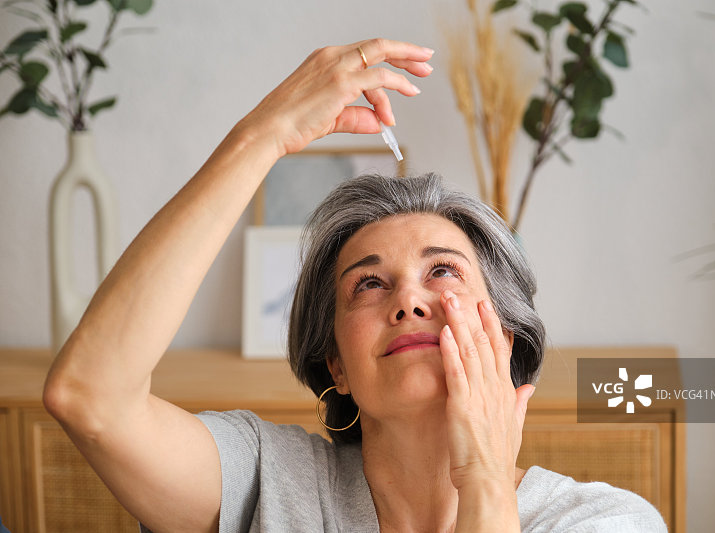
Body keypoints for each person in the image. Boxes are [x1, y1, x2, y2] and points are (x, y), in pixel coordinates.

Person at [42, 39, 667, 532]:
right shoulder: (266, 479)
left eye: (443, 270)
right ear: (336, 364)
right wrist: (262, 136)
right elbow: (89, 397)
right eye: (368, 285)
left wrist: (483, 477)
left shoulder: (606, 521)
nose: (408, 301)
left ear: (504, 335)